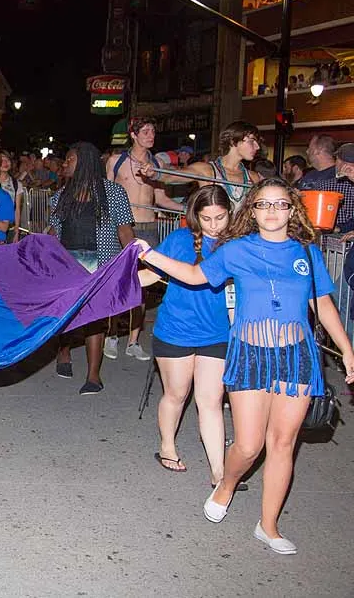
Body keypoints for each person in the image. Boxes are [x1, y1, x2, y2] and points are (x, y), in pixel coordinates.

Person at [138, 178, 354, 554]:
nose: (272, 211)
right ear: (252, 211)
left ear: (293, 209)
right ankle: (226, 484)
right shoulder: (236, 250)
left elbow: (322, 302)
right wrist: (149, 254)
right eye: (263, 204)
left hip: (297, 357)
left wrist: (346, 350)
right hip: (251, 354)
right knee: (249, 445)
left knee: (283, 444)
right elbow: (194, 276)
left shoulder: (307, 252)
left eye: (280, 204)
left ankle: (268, 526)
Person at [138, 185, 246, 491]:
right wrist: (111, 284)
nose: (214, 225)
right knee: (176, 394)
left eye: (220, 218)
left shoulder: (236, 246)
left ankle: (219, 472)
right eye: (206, 219)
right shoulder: (179, 239)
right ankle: (167, 447)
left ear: (230, 214)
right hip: (176, 329)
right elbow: (152, 274)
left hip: (217, 333)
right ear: (195, 217)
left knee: (211, 401)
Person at [49, 141, 136, 395]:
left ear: (85, 162)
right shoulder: (60, 195)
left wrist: (133, 260)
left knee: (95, 318)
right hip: (67, 263)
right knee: (66, 314)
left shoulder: (114, 193)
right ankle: (63, 351)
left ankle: (93, 375)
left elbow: (124, 230)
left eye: (70, 159)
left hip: (101, 262)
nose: (65, 164)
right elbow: (54, 230)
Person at [105, 117, 185, 361]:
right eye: (146, 131)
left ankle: (133, 340)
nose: (151, 135)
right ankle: (111, 335)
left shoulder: (157, 164)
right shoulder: (116, 161)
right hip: (123, 228)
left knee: (144, 286)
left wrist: (189, 209)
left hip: (149, 228)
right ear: (133, 134)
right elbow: (106, 195)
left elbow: (161, 199)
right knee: (118, 282)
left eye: (153, 131)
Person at [143, 120, 263, 212]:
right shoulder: (207, 171)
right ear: (233, 141)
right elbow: (172, 177)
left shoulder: (253, 177)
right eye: (251, 141)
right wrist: (154, 172)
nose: (257, 147)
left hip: (244, 237)